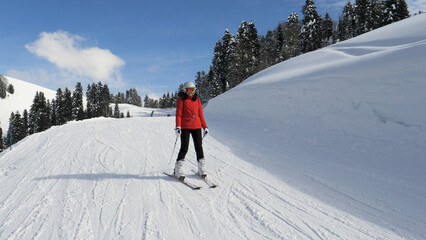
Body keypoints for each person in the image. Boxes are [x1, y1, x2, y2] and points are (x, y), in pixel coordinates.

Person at [174, 81, 209, 180]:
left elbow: (200, 115)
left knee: (199, 147)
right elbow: (179, 114)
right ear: (185, 90)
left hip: (197, 126)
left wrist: (205, 127)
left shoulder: (197, 100)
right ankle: (178, 169)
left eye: (192, 90)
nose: (191, 92)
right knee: (184, 147)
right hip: (185, 127)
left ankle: (201, 168)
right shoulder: (181, 100)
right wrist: (178, 127)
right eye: (189, 90)